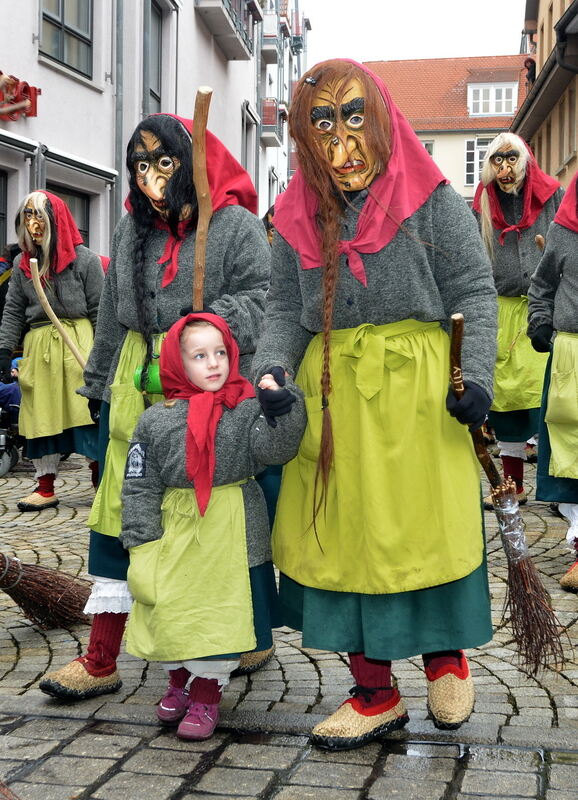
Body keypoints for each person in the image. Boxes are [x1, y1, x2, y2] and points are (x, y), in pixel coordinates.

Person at [251, 59, 498, 750]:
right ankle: (374, 691)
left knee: (423, 528)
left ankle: (446, 660)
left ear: (383, 117)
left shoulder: (432, 200)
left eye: (355, 117)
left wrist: (473, 375)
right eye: (322, 125)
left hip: (418, 399)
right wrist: (271, 370)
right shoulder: (295, 213)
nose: (342, 144)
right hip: (333, 401)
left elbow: (475, 293)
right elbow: (280, 310)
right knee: (346, 540)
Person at [39, 113, 272, 701]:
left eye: (163, 163)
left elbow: (262, 298)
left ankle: (244, 634)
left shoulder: (237, 226)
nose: (149, 179)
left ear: (190, 163)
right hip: (137, 390)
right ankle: (101, 658)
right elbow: (117, 316)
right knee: (122, 514)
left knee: (214, 523)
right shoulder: (131, 232)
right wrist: (98, 387)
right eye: (139, 166)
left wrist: (205, 332)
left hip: (210, 393)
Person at [119, 313, 304, 740]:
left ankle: (207, 691)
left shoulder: (246, 409)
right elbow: (139, 482)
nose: (214, 363)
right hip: (177, 529)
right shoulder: (155, 420)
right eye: (199, 355)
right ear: (176, 363)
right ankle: (179, 679)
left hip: (233, 529)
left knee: (222, 612)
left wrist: (284, 411)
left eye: (220, 352)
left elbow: (275, 451)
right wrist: (141, 538)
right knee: (177, 607)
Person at [473, 133, 564, 509]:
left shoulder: (552, 195)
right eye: (498, 161)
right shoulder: (484, 203)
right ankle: (513, 484)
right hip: (503, 312)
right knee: (507, 401)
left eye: (512, 159)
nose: (506, 169)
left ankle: (564, 491)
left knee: (553, 401)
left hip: (546, 310)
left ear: (525, 160)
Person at [0, 192, 103, 509]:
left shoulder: (85, 260)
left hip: (78, 345)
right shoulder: (21, 264)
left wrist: (103, 358)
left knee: (86, 414)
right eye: (27, 216)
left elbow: (101, 311)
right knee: (41, 415)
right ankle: (45, 487)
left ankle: (101, 484)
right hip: (40, 346)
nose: (33, 224)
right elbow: (14, 310)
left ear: (55, 220)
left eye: (39, 216)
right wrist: (4, 349)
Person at [528, 170, 578, 590]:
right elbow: (541, 284)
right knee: (571, 452)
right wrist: (540, 321)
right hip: (571, 356)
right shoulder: (564, 229)